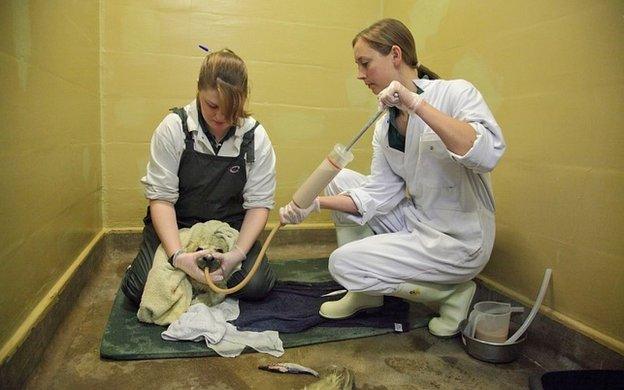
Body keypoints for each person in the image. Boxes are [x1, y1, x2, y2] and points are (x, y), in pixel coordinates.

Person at [279, 19, 506, 337]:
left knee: (343, 264)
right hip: (418, 222)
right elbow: (378, 193)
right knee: (339, 179)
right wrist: (315, 203)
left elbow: (487, 153)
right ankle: (366, 294)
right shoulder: (385, 125)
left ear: (395, 55)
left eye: (365, 63)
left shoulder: (456, 94)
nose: (360, 74)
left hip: (459, 241)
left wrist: (416, 104)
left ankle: (451, 294)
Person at [121, 48, 277, 305]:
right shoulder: (173, 128)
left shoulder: (256, 137)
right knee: (139, 290)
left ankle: (193, 280)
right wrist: (178, 257)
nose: (221, 118)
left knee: (257, 286)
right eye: (212, 106)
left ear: (244, 99)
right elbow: (160, 199)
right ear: (198, 90)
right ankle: (170, 267)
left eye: (231, 110)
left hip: (229, 227)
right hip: (178, 224)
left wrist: (236, 255)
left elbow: (259, 205)